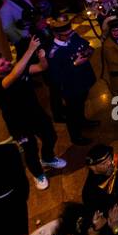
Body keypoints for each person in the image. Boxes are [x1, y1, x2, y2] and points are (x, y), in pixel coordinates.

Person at [0, 42, 64, 189]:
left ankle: (47, 158)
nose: (7, 64)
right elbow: (14, 76)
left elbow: (41, 67)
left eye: (6, 61)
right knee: (30, 149)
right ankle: (39, 175)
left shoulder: (18, 69)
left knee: (51, 136)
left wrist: (42, 58)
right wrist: (30, 49)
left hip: (36, 114)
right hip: (18, 124)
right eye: (1, 65)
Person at [45, 15, 96, 145]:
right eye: (65, 35)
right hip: (71, 87)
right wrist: (74, 64)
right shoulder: (53, 52)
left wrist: (88, 51)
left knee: (81, 105)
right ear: (56, 34)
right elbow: (56, 76)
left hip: (83, 80)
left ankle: (83, 120)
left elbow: (83, 44)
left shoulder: (72, 35)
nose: (69, 36)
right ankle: (76, 136)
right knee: (72, 113)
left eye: (70, 32)